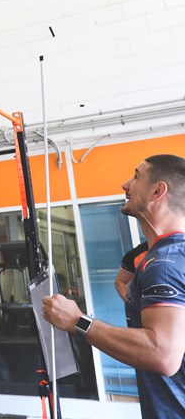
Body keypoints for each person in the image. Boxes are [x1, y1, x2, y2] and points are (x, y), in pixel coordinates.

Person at [43, 154, 185, 418]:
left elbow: (162, 353)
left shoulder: (163, 263)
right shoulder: (173, 255)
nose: (125, 184)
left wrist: (77, 320)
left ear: (157, 190)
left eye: (136, 175)